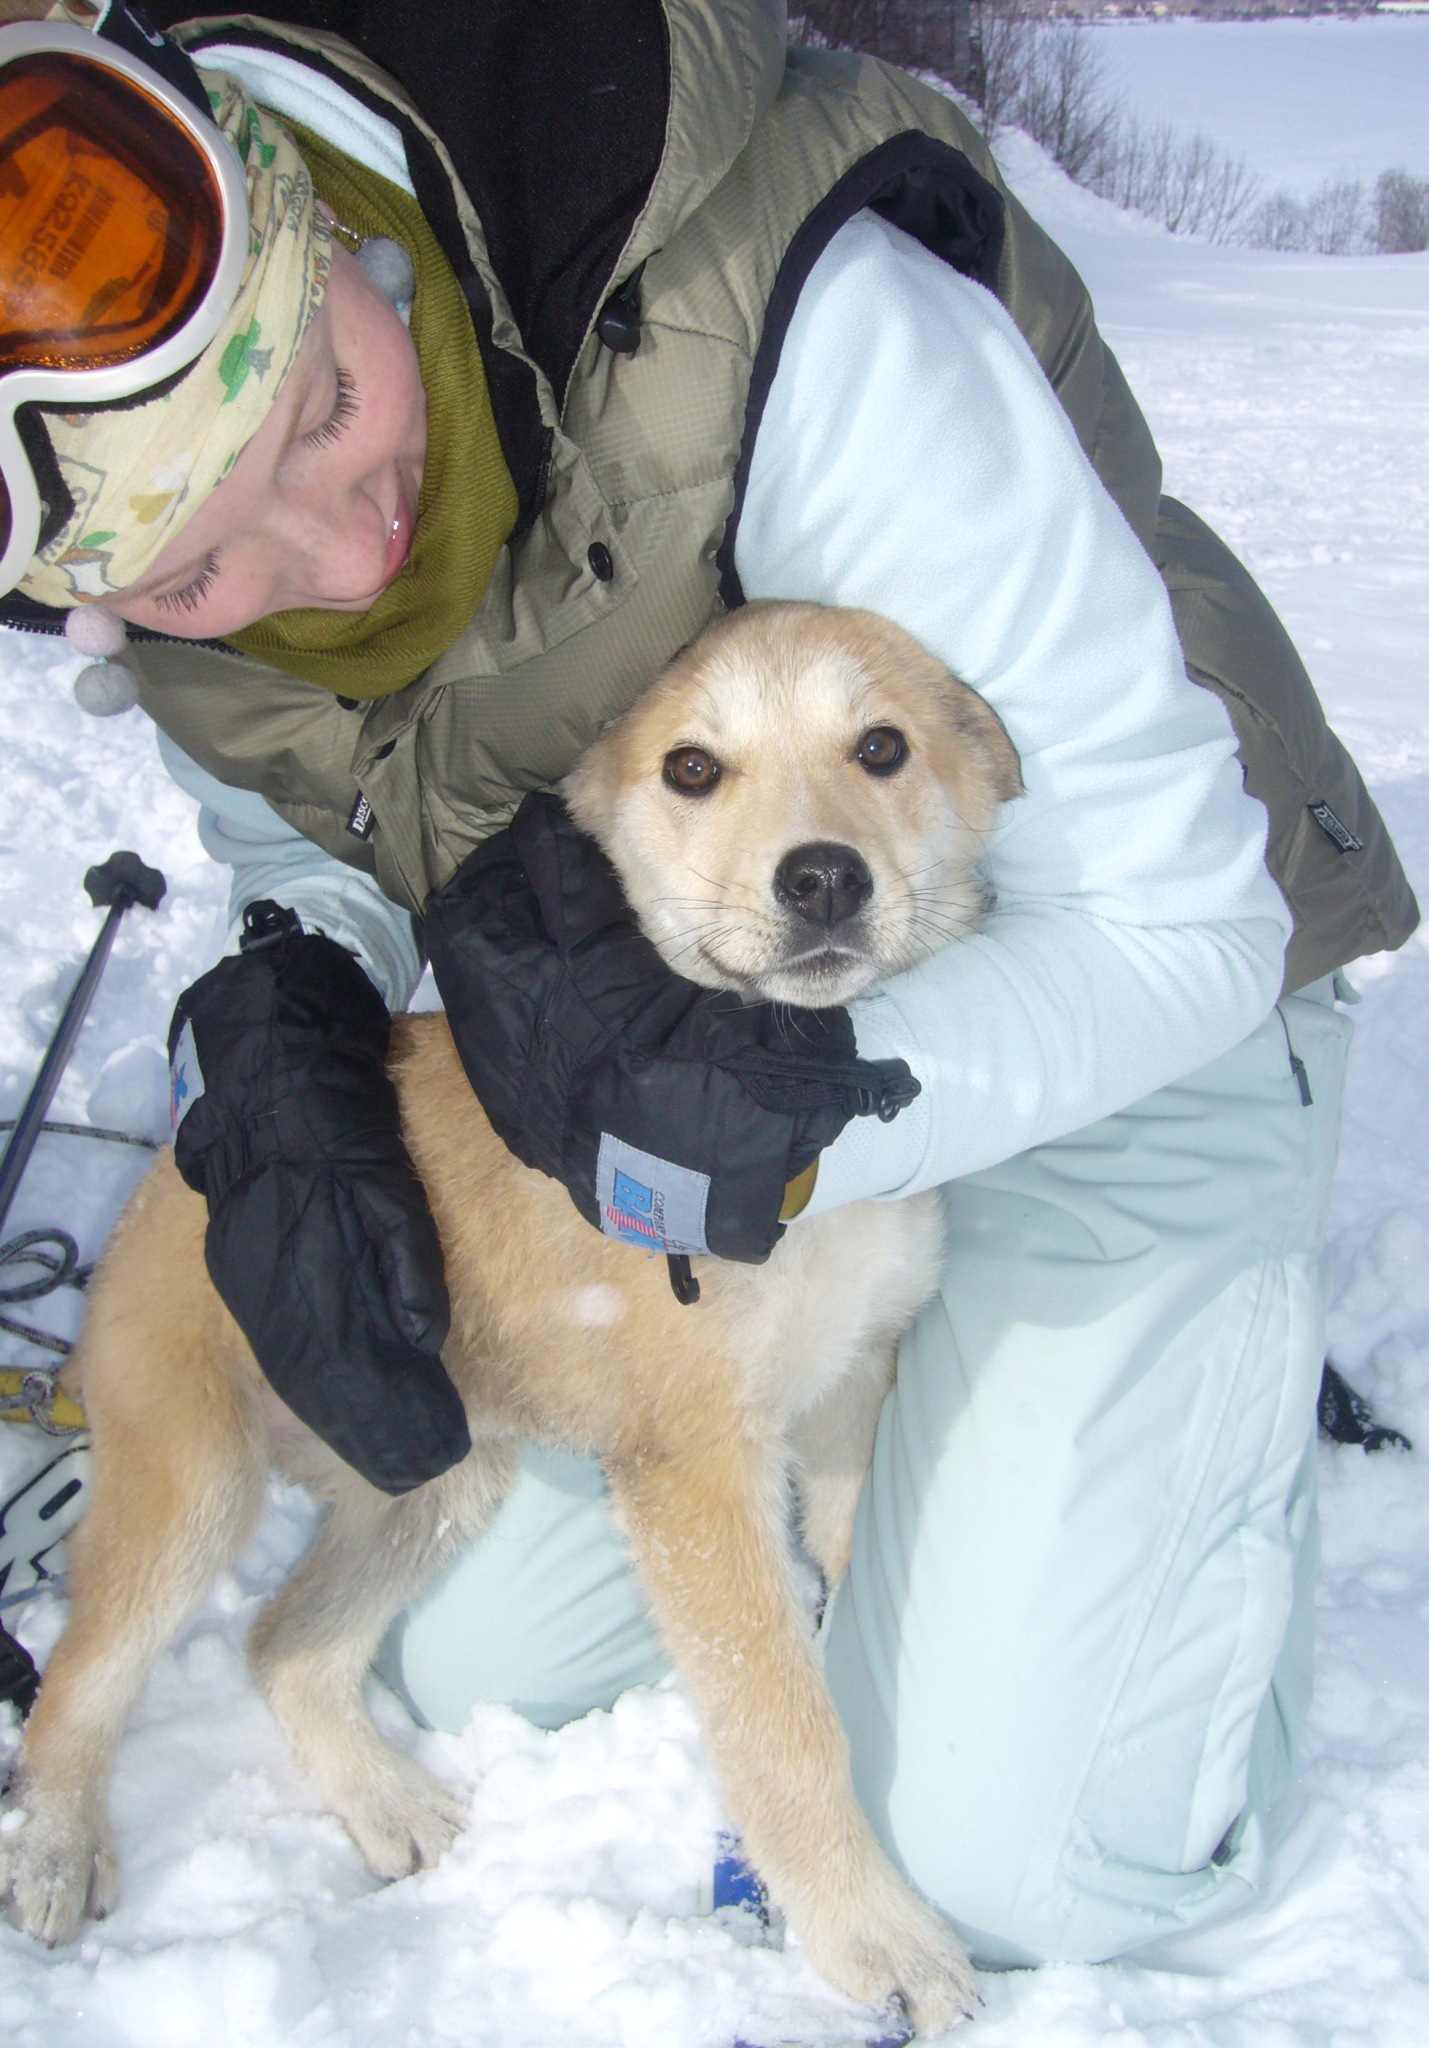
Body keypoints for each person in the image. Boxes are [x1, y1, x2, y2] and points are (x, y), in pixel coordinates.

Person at [1, 0, 1417, 1971]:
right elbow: (311, 846)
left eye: (315, 406)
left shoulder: (802, 320)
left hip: (1137, 940)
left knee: (1017, 1862)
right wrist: (294, 1017)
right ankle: (1006, 1474)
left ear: (332, 235)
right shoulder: (183, 600)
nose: (334, 546)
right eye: (187, 574)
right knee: (500, 1653)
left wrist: (787, 1124)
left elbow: (1175, 921)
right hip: (719, 1022)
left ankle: (1170, 1435)